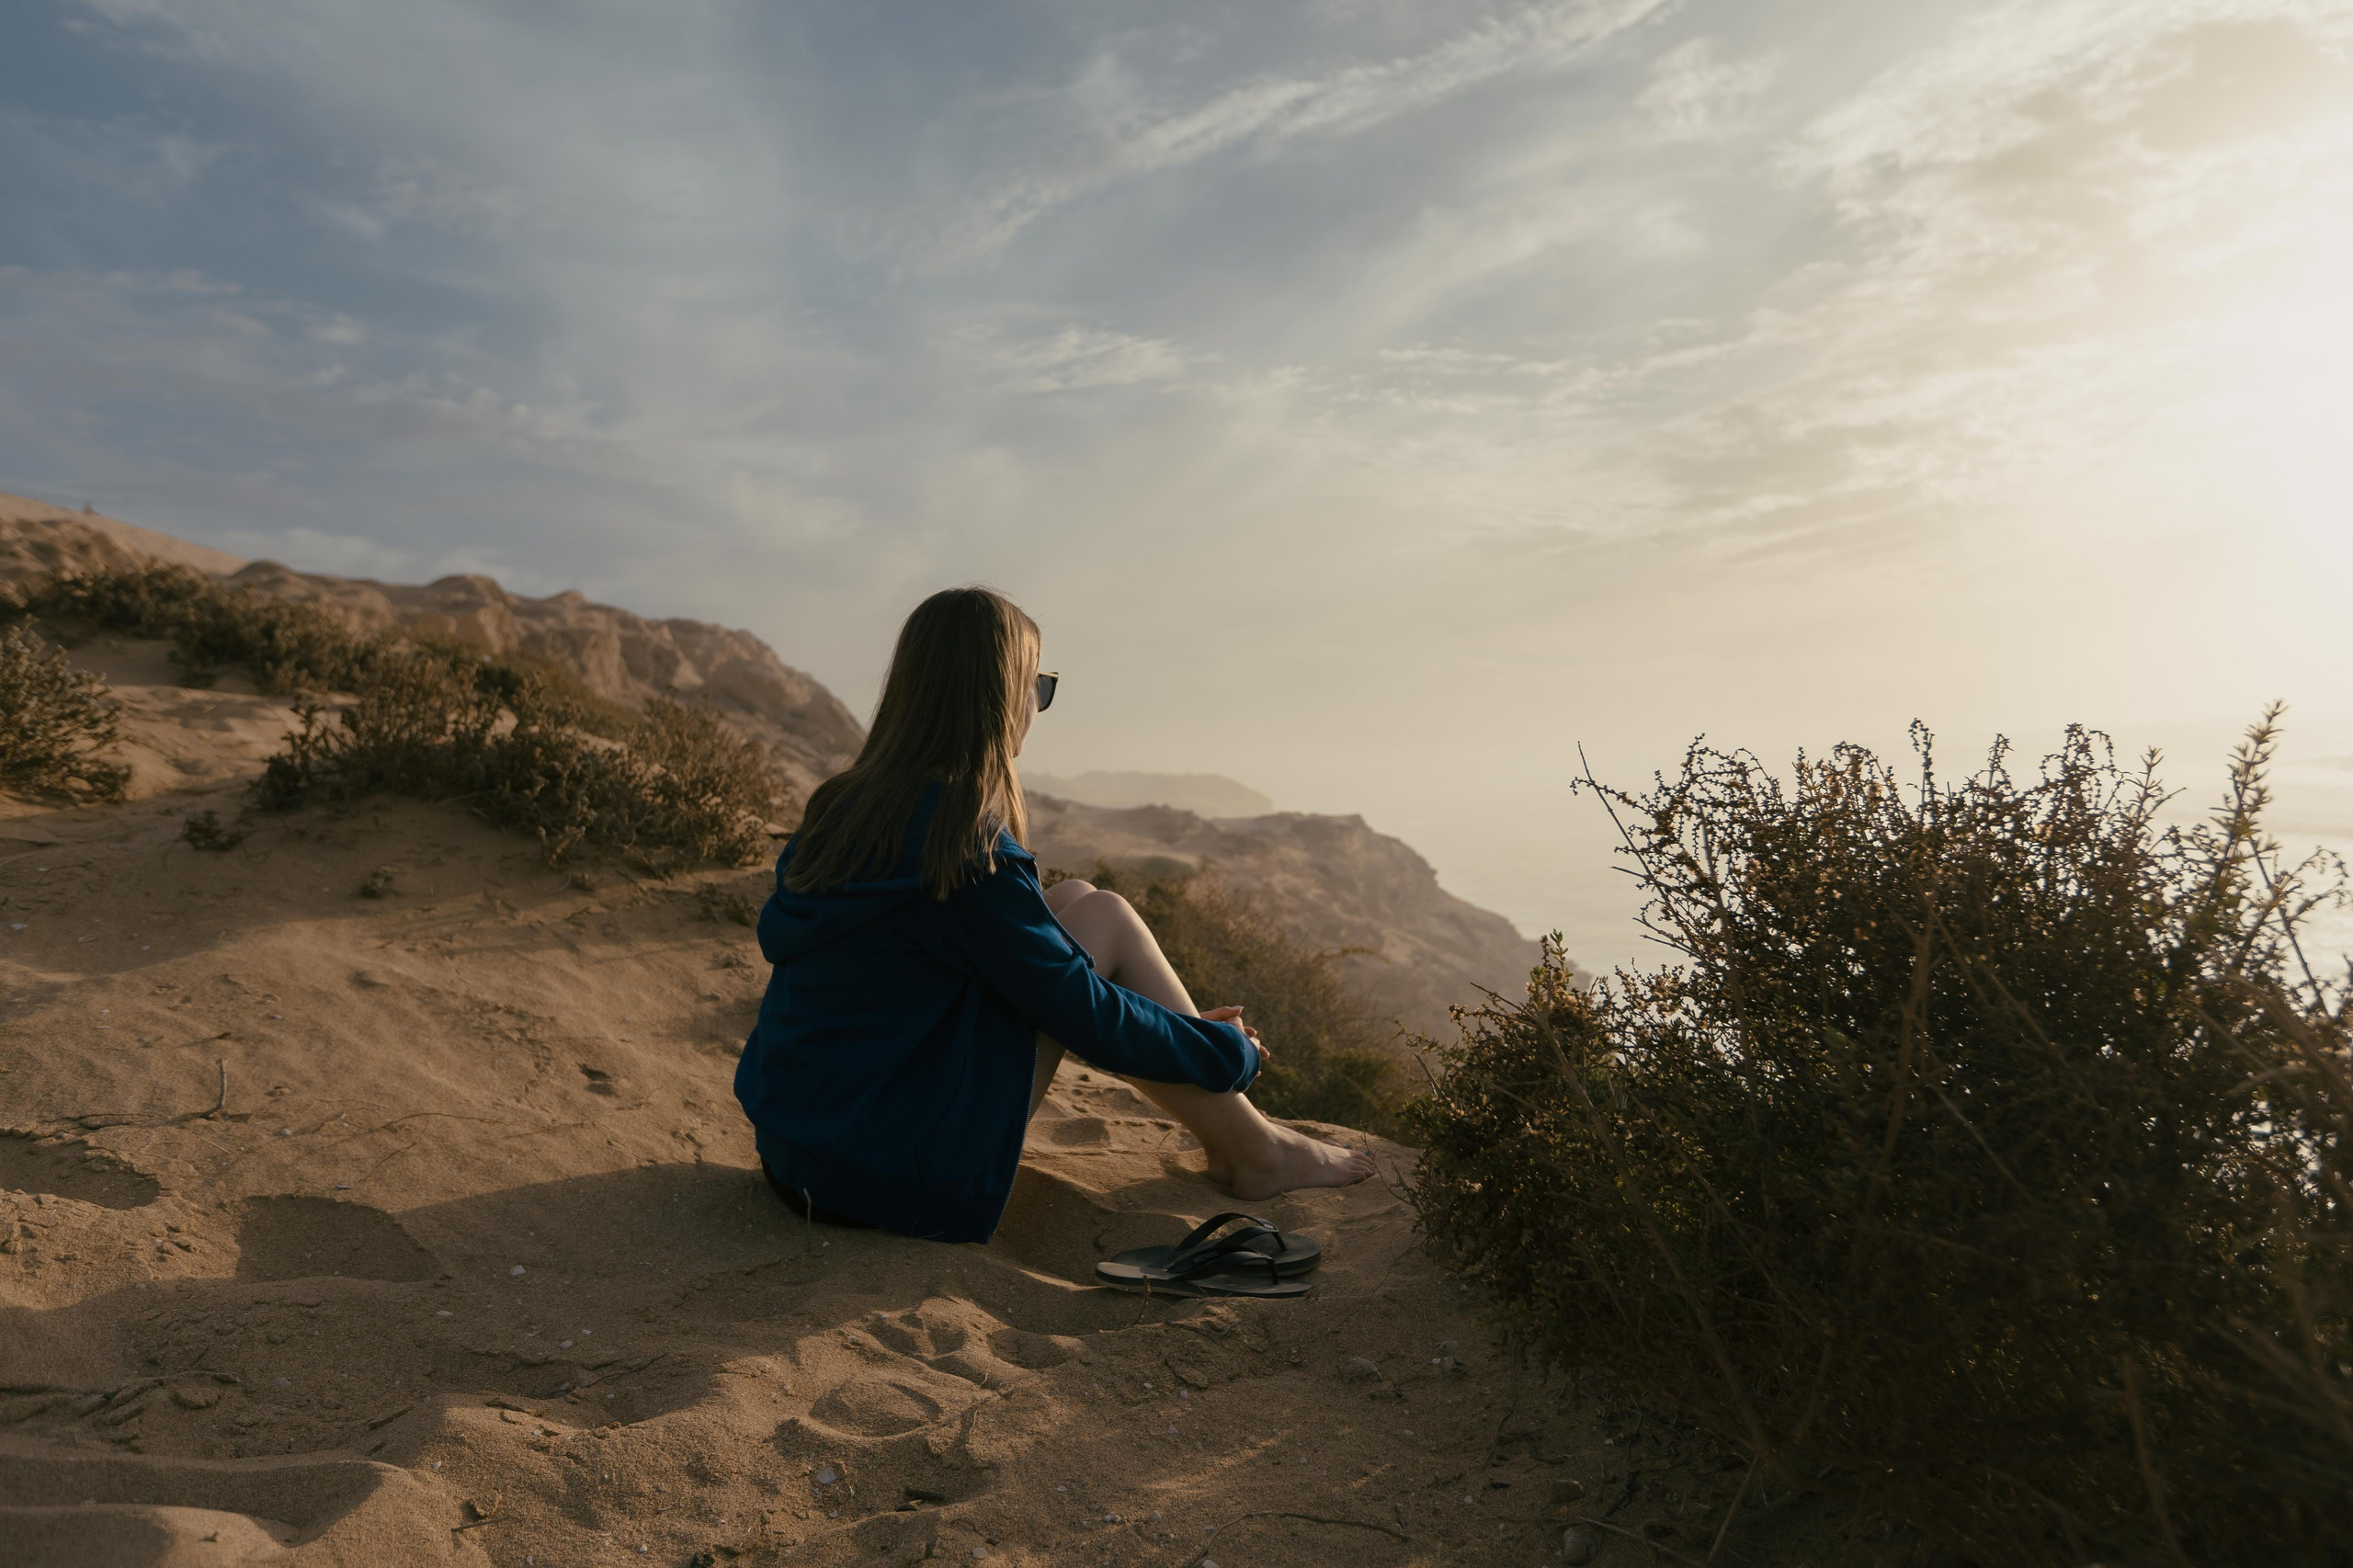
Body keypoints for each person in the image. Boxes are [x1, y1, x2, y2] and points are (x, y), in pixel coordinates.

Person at [733, 585, 1376, 1244]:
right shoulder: (964, 852)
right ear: (999, 695)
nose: (1037, 705)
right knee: (1110, 920)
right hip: (887, 1178)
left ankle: (1248, 1144)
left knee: (1075, 903)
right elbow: (1085, 1016)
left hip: (801, 1153)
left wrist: (1171, 1031)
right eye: (1036, 684)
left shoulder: (844, 810)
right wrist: (1227, 1052)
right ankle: (1257, 1150)